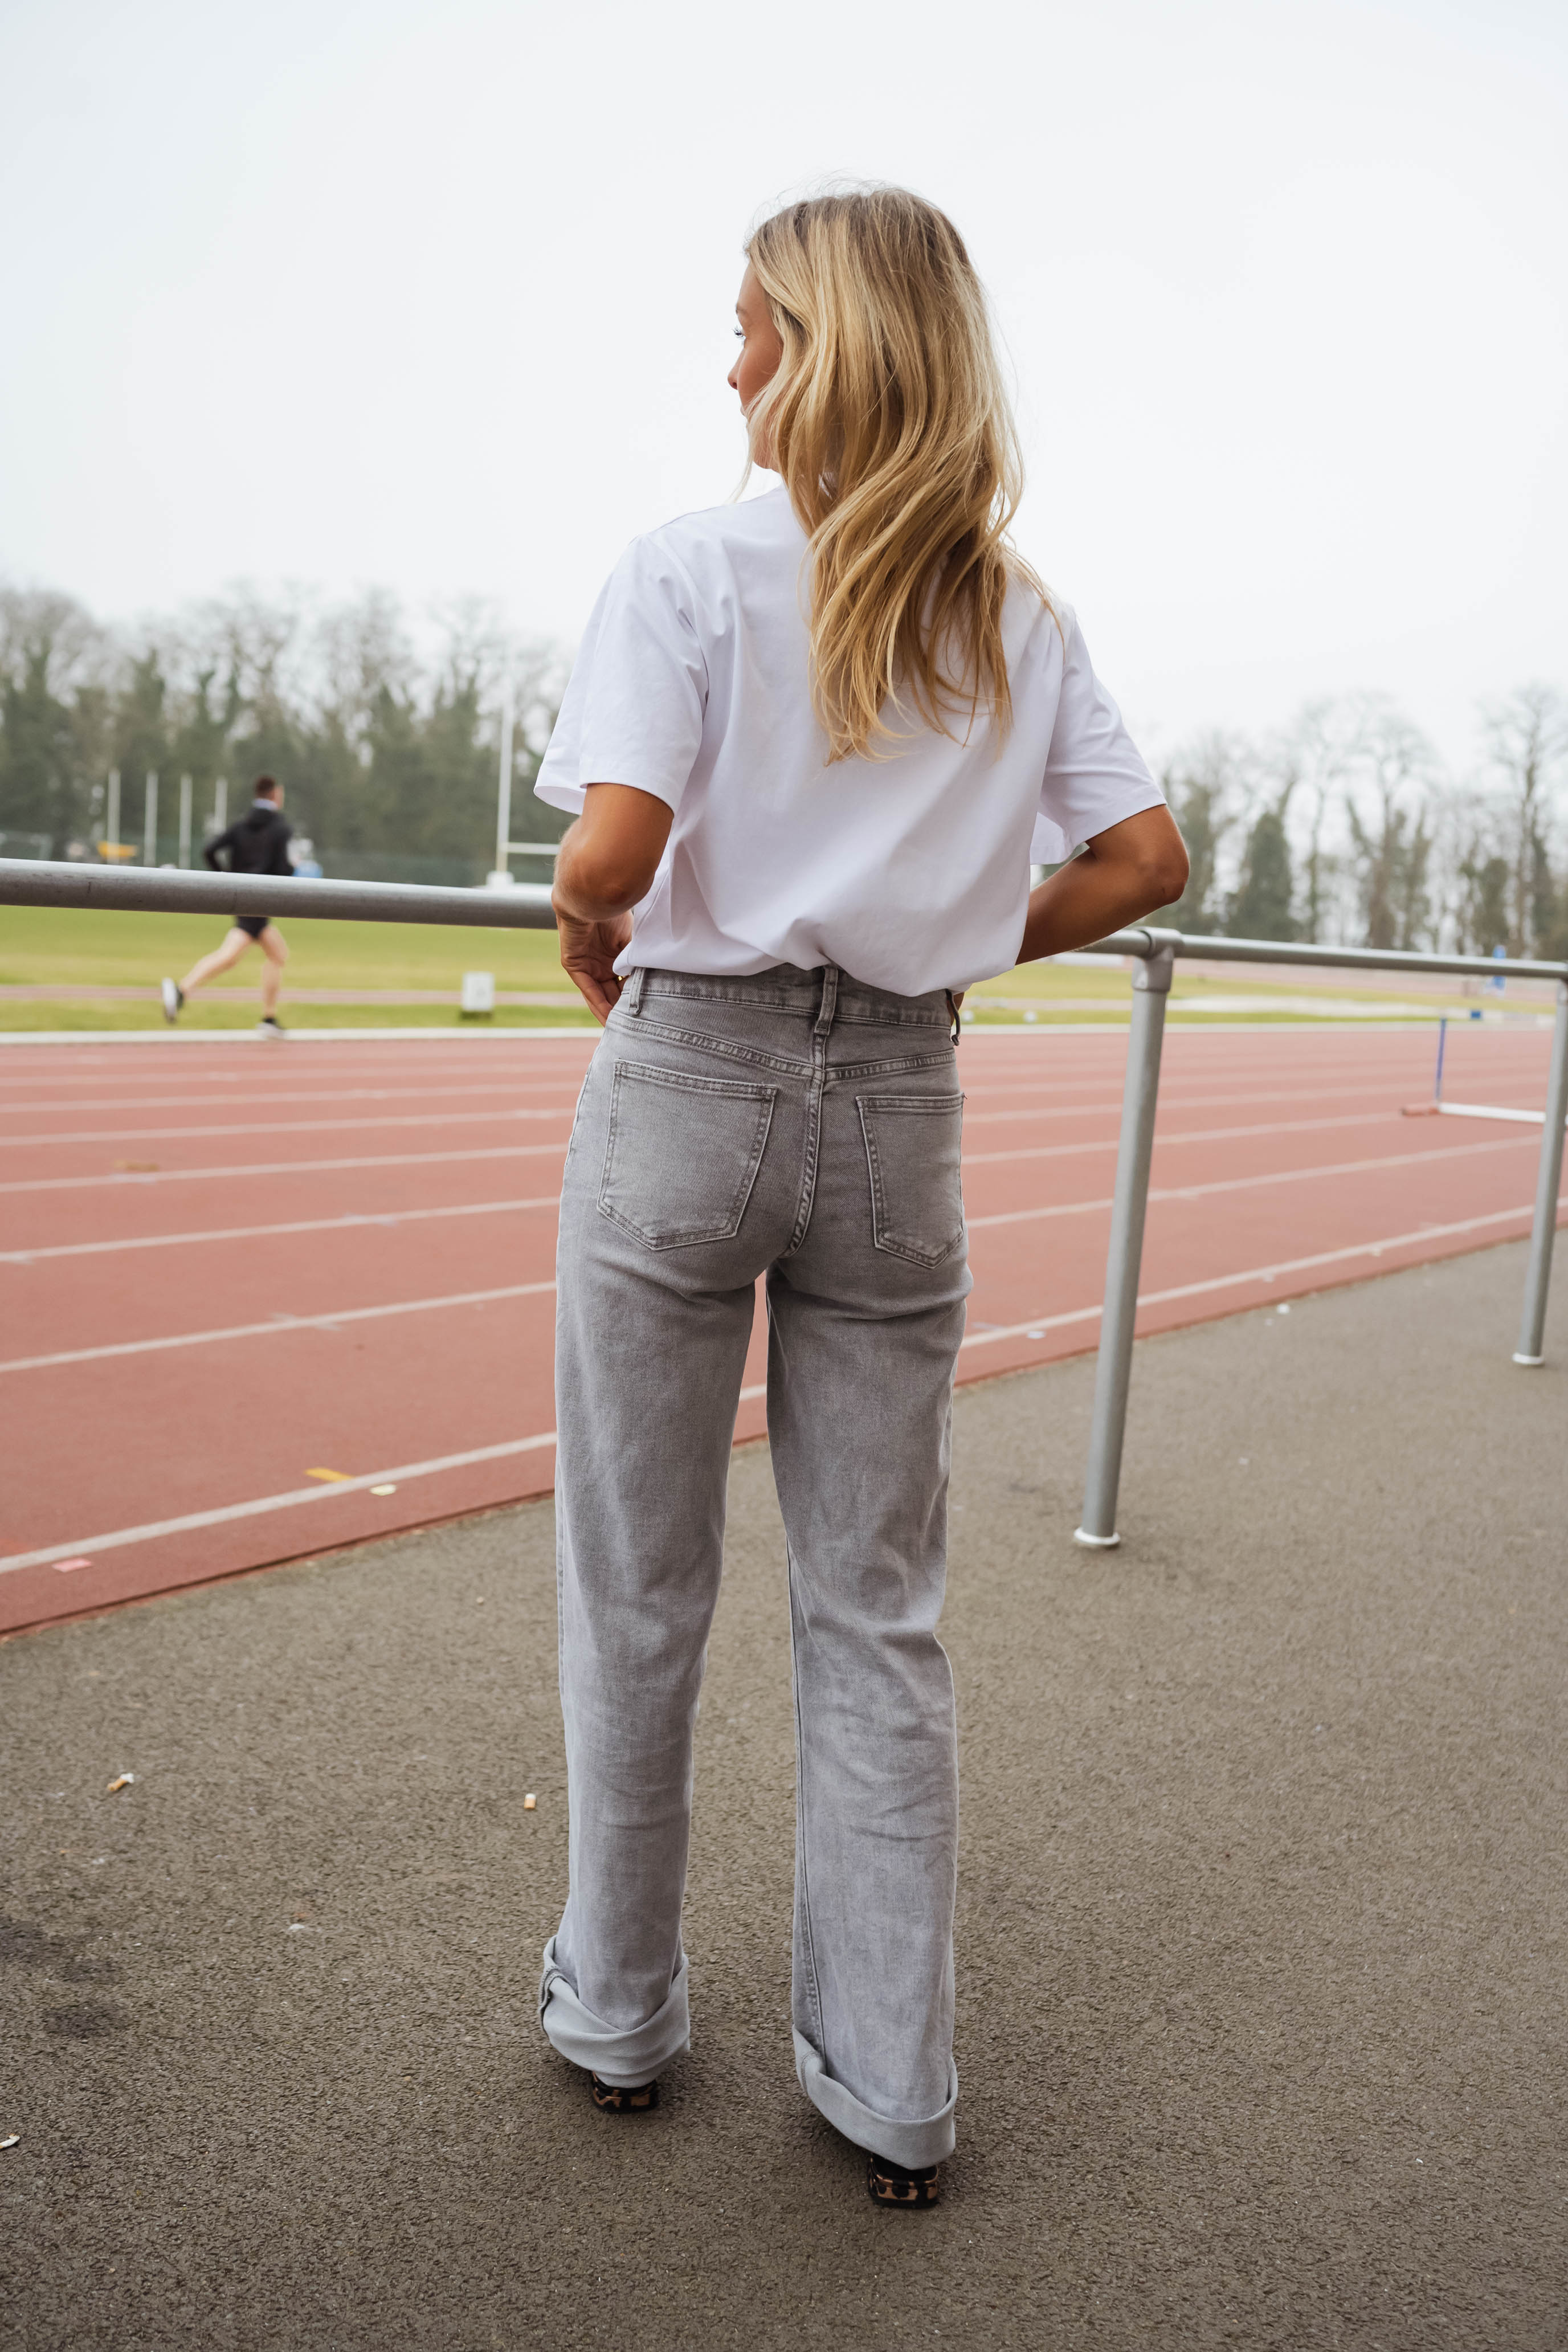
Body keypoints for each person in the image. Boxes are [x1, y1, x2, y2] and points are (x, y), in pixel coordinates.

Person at [533, 187, 1189, 2209]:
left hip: (694, 1084)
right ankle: (891, 2077)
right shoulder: (1016, 609)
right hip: (900, 1105)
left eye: (750, 324)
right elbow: (1149, 857)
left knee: (642, 1583)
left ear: (819, 347)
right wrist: (962, 932)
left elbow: (618, 840)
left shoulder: (688, 567)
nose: (728, 359)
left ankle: (619, 2010)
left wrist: (586, 914)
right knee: (877, 1607)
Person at [161, 775, 294, 1036]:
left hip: (242, 896)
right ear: (275, 795)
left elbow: (210, 850)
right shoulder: (280, 828)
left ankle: (268, 1018)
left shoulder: (241, 825)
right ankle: (180, 991)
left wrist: (226, 878)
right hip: (263, 898)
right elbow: (284, 869)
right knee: (231, 956)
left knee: (275, 954)